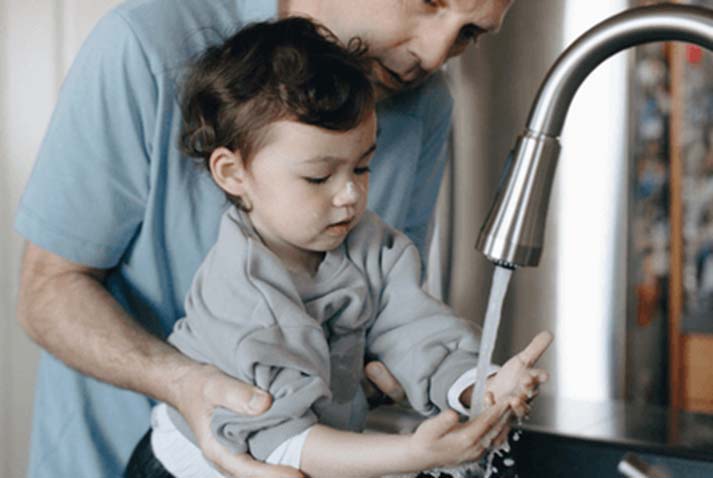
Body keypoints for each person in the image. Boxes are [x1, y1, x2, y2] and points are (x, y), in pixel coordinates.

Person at [15, 1, 517, 477]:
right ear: (230, 171)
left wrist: (466, 381)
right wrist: (184, 385)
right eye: (428, 1)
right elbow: (49, 289)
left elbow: (390, 305)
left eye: (469, 32)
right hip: (134, 458)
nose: (432, 54)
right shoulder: (144, 45)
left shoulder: (424, 103)